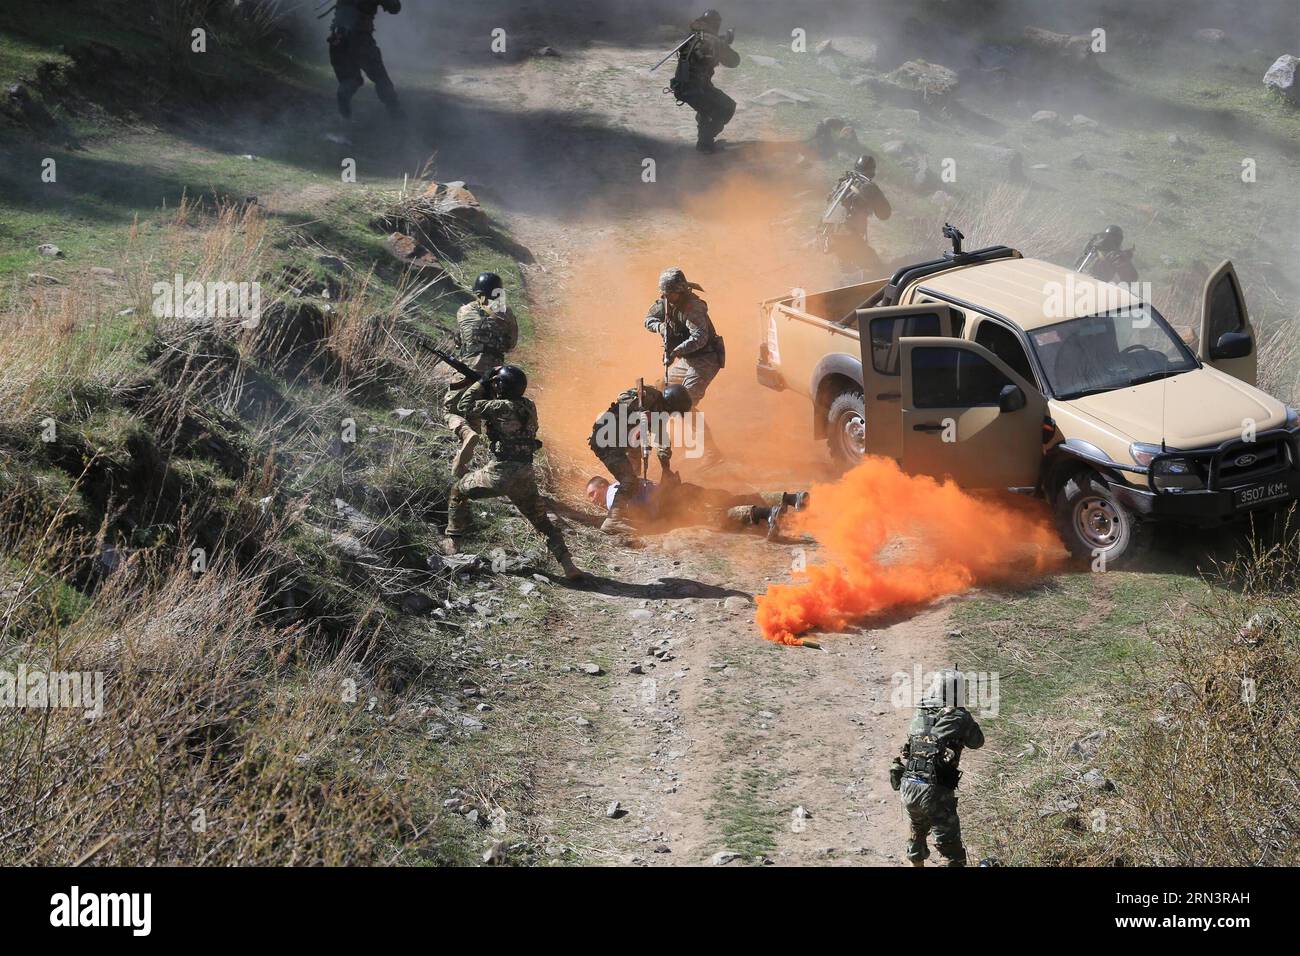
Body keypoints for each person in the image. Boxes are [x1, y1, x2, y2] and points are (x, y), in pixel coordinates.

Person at [442, 365, 583, 581]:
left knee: (458, 490)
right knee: (542, 523)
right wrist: (494, 387)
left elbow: (464, 405)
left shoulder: (498, 406)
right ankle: (568, 565)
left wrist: (482, 382)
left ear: (501, 387)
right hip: (525, 473)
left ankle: (452, 542)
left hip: (499, 472)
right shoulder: (529, 406)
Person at [890, 670, 984, 867]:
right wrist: (963, 713)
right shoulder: (958, 715)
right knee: (951, 854)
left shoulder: (921, 710)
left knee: (917, 833)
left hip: (909, 785)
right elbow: (977, 742)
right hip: (935, 790)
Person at [588, 382, 693, 534]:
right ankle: (612, 521)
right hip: (606, 437)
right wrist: (638, 410)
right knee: (629, 481)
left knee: (634, 479)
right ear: (671, 405)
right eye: (673, 413)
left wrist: (666, 468)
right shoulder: (648, 396)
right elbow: (622, 398)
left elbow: (662, 442)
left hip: (621, 441)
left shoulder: (658, 413)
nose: (670, 416)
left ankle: (633, 509)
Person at [445, 273, 520, 477]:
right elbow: (511, 343)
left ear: (477, 292)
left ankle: (467, 434)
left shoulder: (463, 311)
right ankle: (467, 466)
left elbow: (459, 341)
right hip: (494, 376)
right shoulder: (506, 313)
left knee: (452, 411)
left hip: (466, 369)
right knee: (479, 413)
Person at [584, 475, 808, 539]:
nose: (593, 500)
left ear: (603, 486)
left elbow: (633, 517)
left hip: (674, 503)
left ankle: (768, 514)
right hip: (680, 490)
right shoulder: (625, 483)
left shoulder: (614, 495)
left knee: (717, 517)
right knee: (731, 499)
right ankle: (790, 498)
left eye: (593, 494)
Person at [668, 9, 741, 152]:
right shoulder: (711, 41)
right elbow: (734, 61)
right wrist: (725, 44)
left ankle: (704, 139)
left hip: (684, 86)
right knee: (725, 108)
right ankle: (705, 144)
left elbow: (706, 43)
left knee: (708, 107)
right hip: (695, 88)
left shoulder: (694, 36)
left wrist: (721, 41)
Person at [328, 0, 404, 121]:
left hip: (337, 39)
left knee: (350, 79)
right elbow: (395, 8)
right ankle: (395, 110)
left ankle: (344, 111)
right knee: (380, 77)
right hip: (360, 39)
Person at [821, 155, 891, 275]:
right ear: (872, 171)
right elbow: (884, 214)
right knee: (878, 271)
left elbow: (829, 200)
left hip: (828, 233)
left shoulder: (843, 182)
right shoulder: (869, 187)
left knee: (848, 265)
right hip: (848, 234)